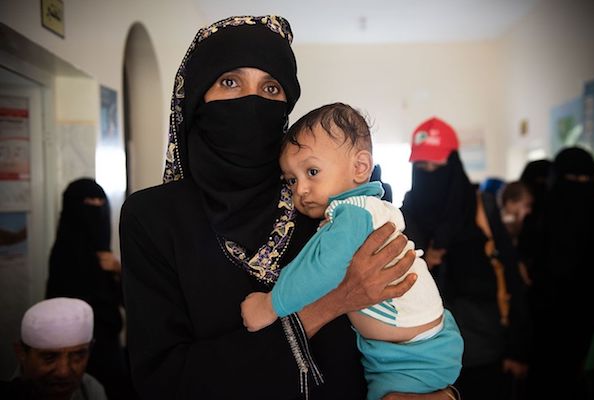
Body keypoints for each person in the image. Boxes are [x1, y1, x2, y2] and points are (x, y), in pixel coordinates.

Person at [119, 15, 457, 400]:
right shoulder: (153, 218)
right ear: (198, 97)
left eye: (271, 87)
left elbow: (412, 311)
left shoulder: (324, 202)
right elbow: (164, 381)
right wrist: (332, 303)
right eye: (230, 82)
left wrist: (442, 394)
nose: (252, 100)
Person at [240, 103, 463, 400]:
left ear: (360, 168)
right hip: (405, 351)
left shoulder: (355, 214)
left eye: (312, 171)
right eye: (292, 180)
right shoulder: (359, 212)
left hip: (413, 355)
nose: (301, 190)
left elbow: (320, 269)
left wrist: (269, 305)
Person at [401, 116, 531, 400]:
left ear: (455, 163)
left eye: (438, 165)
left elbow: (510, 276)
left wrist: (517, 349)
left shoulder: (481, 210)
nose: (429, 173)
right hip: (426, 358)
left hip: (483, 351)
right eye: (422, 167)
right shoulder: (407, 212)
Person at [46, 178, 133, 400]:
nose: (95, 207)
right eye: (88, 201)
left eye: (99, 201)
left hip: (108, 346)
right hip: (73, 348)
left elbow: (130, 301)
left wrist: (118, 270)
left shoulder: (105, 254)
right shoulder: (65, 254)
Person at [527, 146, 594, 400]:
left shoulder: (544, 217)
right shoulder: (537, 220)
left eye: (586, 181)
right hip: (560, 323)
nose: (579, 187)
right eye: (572, 180)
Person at [0, 297, 107, 400]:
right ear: (21, 353)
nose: (63, 372)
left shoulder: (90, 390)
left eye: (78, 356)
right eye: (49, 357)